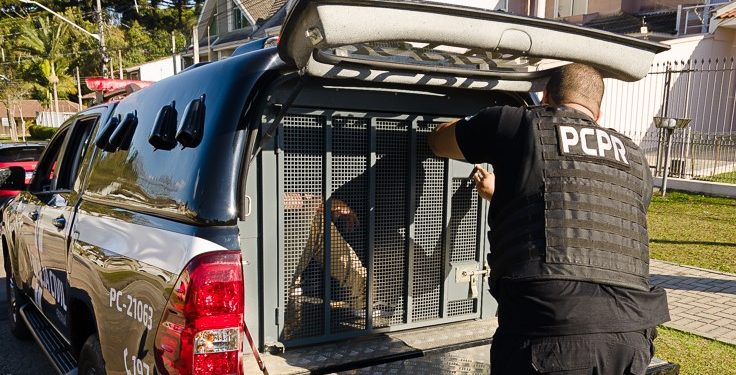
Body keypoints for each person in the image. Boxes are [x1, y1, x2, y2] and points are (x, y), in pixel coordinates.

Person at [428, 63, 670, 374]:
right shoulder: (634, 157)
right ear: (596, 114)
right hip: (632, 333)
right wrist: (504, 193)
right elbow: (585, 214)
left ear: (545, 97)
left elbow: (439, 141)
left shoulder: (516, 122)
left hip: (549, 329)